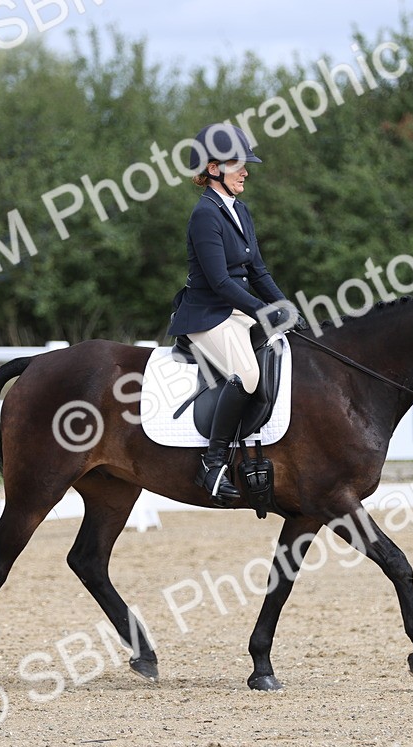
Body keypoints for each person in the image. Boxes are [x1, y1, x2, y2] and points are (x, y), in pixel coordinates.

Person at [168, 123, 302, 506]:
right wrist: (263, 312)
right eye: (237, 164)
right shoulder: (204, 215)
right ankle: (211, 465)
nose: (246, 171)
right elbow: (221, 282)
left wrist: (286, 309)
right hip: (208, 314)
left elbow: (258, 272)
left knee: (288, 349)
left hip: (237, 311)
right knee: (246, 375)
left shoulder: (239, 210)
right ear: (213, 169)